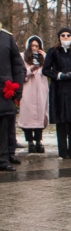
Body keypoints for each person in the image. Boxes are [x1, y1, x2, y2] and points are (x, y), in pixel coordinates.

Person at [42, 28, 71, 159]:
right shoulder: (53, 52)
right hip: (58, 89)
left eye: (68, 35)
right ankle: (62, 151)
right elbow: (46, 70)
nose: (66, 37)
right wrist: (58, 75)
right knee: (61, 121)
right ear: (59, 37)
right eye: (63, 35)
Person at [0, 23, 24, 171]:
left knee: (4, 125)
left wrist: (18, 87)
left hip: (3, 89)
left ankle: (3, 159)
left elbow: (17, 65)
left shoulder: (6, 37)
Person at [18, 36, 49, 154]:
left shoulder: (43, 59)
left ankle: (38, 141)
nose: (35, 48)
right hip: (28, 90)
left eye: (37, 46)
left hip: (40, 91)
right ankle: (30, 141)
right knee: (28, 117)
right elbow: (21, 74)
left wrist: (45, 57)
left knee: (40, 117)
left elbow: (50, 70)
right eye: (32, 46)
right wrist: (31, 69)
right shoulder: (22, 57)